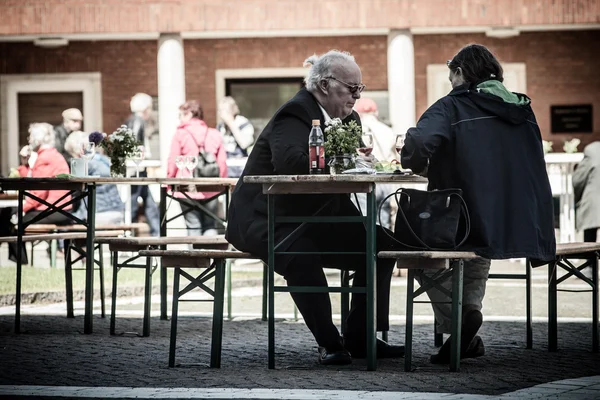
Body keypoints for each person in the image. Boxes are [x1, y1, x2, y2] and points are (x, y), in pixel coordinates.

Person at [225, 50, 404, 365]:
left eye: (360, 89)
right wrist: (342, 158)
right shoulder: (294, 112)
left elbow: (348, 169)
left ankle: (360, 337)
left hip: (321, 215)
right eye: (352, 88)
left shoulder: (349, 117)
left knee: (381, 244)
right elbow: (290, 163)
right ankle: (329, 342)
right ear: (324, 85)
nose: (357, 96)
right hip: (269, 219)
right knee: (301, 252)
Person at [401, 44, 556, 364]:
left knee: (413, 253)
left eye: (451, 77)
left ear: (460, 73)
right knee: (478, 253)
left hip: (461, 214)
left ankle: (460, 321)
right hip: (515, 220)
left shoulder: (453, 106)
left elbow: (418, 141)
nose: (451, 84)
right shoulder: (521, 108)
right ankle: (466, 329)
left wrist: (416, 164)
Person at [4, 123, 73, 263]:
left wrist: (21, 210)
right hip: (55, 208)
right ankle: (19, 261)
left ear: (38, 139)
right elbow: (31, 180)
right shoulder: (48, 155)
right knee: (7, 215)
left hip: (55, 210)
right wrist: (25, 162)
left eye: (30, 136)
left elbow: (37, 193)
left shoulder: (45, 158)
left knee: (8, 218)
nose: (28, 139)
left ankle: (20, 263)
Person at [167, 101, 227, 236]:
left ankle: (195, 257)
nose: (180, 119)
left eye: (181, 115)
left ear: (189, 114)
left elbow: (173, 161)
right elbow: (222, 163)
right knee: (210, 224)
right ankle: (212, 256)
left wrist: (169, 182)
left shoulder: (180, 134)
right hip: (211, 187)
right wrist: (221, 184)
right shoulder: (214, 133)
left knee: (192, 224)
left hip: (186, 188)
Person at [352, 97, 397, 229]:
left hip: (365, 181)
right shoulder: (387, 130)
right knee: (384, 224)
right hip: (385, 181)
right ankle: (382, 248)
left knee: (365, 224)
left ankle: (368, 249)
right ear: (376, 113)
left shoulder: (359, 130)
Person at [64, 131, 125, 225]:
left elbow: (74, 191)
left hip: (98, 213)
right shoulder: (102, 159)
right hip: (118, 211)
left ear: (79, 150)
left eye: (72, 154)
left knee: (63, 224)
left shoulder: (86, 164)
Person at [125, 93, 160, 236]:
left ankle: (155, 233)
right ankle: (131, 234)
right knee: (135, 201)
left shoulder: (132, 120)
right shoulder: (137, 121)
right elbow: (133, 144)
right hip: (136, 168)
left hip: (138, 168)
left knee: (147, 200)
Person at [217, 96, 255, 177]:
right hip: (225, 166)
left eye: (223, 110)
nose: (220, 114)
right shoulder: (220, 126)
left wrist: (231, 123)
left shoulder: (243, 123)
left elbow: (244, 143)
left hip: (240, 166)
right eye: (219, 110)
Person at [573, 141, 600, 242]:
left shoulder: (592, 150)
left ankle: (591, 257)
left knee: (589, 247)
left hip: (593, 204)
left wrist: (578, 198)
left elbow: (578, 180)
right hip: (594, 205)